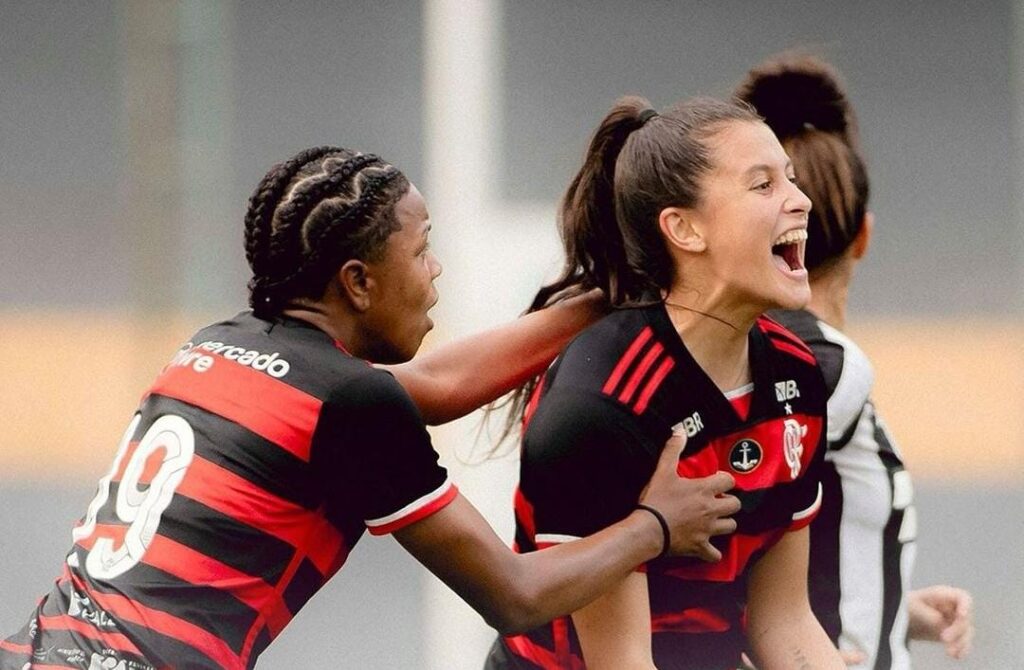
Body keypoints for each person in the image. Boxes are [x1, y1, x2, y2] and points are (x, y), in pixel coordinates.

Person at [0, 147, 742, 670]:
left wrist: (605, 296)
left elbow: (437, 387)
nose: (435, 270)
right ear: (358, 282)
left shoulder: (221, 347)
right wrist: (656, 527)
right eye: (421, 251)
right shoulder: (350, 402)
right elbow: (517, 598)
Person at [486, 97, 845, 669]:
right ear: (684, 228)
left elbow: (785, 620)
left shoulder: (799, 377)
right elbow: (623, 664)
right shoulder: (601, 408)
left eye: (792, 180)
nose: (800, 200)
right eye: (762, 185)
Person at [734, 53, 974, 668]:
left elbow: (793, 534)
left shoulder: (797, 358)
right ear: (864, 236)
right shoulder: (824, 364)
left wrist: (892, 603)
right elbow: (718, 540)